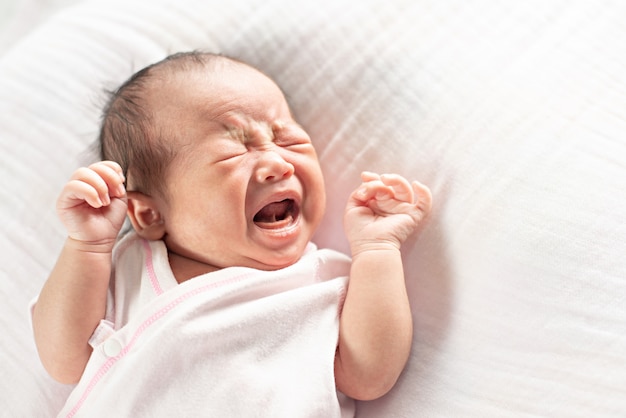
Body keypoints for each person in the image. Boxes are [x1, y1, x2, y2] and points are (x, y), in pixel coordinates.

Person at [31, 51, 432, 410]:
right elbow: (63, 359)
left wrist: (377, 248)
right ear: (150, 215)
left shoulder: (321, 283)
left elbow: (368, 376)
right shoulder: (130, 267)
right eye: (235, 149)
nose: (278, 163)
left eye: (285, 136)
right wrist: (86, 247)